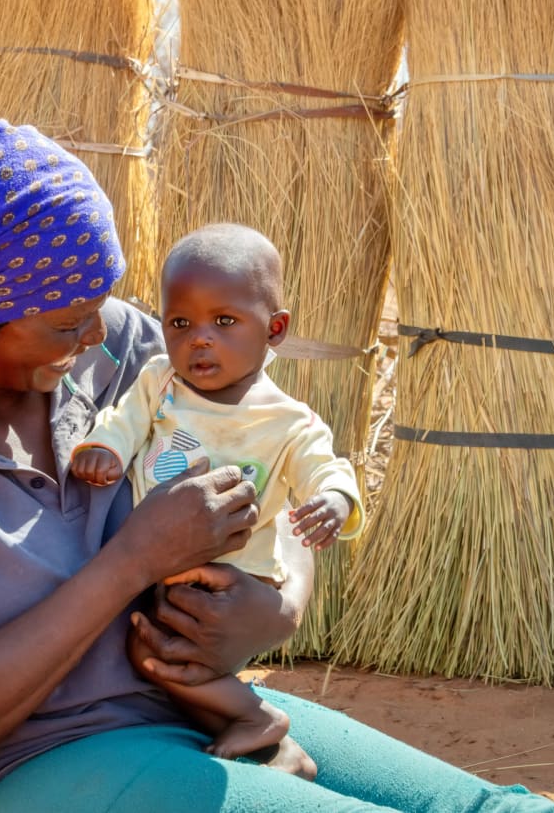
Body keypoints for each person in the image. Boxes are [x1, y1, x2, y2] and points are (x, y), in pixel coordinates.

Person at [0, 119, 554, 813]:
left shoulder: (119, 348)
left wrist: (284, 599)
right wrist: (134, 560)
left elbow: (273, 449)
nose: (99, 336)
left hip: (194, 711)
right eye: (67, 324)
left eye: (104, 305)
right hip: (21, 768)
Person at [70, 223, 363, 765]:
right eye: (180, 323)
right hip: (161, 562)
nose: (199, 338)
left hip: (231, 581)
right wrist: (104, 449)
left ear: (274, 329)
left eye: (224, 321)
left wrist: (336, 501)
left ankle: (257, 719)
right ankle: (265, 743)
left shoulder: (289, 422)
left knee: (157, 653)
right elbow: (123, 421)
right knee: (164, 659)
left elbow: (328, 470)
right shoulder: (160, 380)